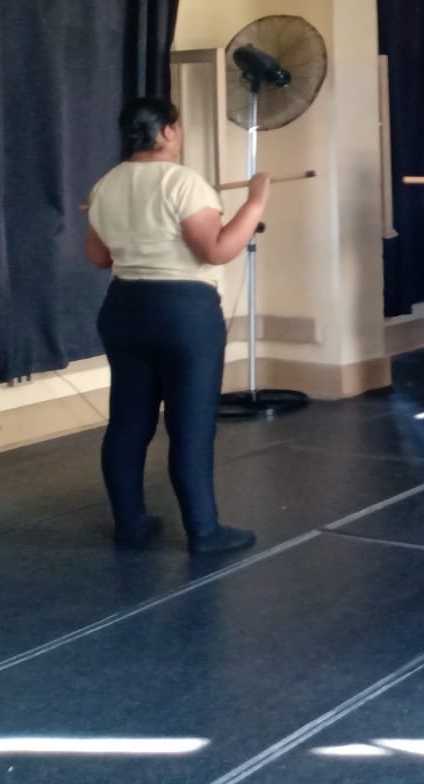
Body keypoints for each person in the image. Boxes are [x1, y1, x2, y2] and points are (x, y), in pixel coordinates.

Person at [85, 97, 268, 555]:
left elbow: (99, 257)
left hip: (124, 308)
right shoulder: (183, 181)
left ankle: (130, 525)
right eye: (178, 126)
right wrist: (255, 201)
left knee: (128, 422)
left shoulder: (106, 184)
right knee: (191, 426)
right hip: (183, 314)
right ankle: (204, 532)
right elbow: (217, 250)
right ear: (166, 131)